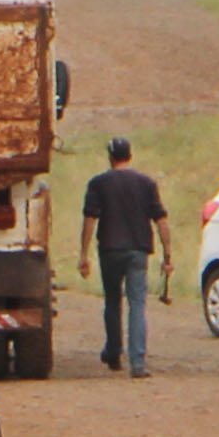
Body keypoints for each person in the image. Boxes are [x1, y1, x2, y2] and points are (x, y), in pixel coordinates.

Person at [75, 135, 170, 376]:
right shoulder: (146, 184)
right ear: (130, 155)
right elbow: (161, 220)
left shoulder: (98, 183)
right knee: (137, 304)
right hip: (138, 250)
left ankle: (114, 352)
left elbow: (90, 219)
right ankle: (137, 363)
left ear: (110, 157)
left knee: (112, 301)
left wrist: (83, 254)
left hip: (110, 249)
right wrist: (168, 255)